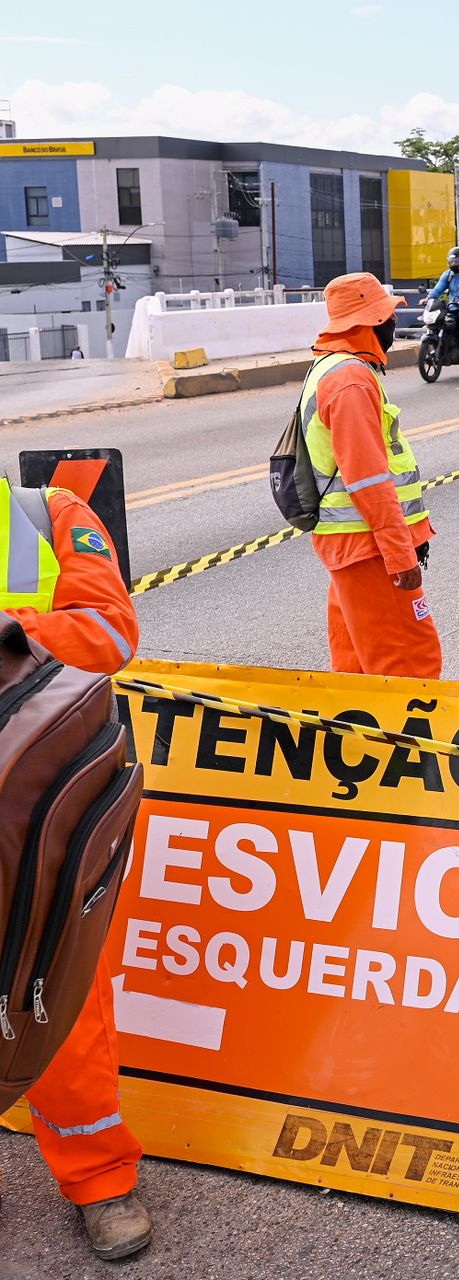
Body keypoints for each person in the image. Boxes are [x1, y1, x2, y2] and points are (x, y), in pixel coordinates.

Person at [1, 474, 150, 1261]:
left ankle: (98, 1177)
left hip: (40, 809)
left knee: (57, 999)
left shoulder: (45, 514)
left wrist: (8, 631)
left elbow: (110, 634)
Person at [304, 272, 440, 679]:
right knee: (410, 664)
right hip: (370, 550)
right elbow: (367, 480)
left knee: (358, 667)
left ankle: (357, 743)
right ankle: (410, 744)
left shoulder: (331, 369)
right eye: (385, 317)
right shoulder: (350, 380)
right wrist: (400, 554)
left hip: (354, 548)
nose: (391, 325)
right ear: (366, 324)